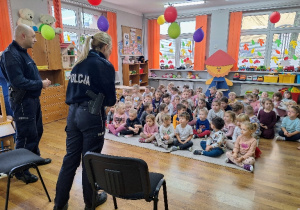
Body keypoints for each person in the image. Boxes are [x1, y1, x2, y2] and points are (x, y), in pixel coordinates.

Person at [53, 32, 116, 210]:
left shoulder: (78, 63)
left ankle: (59, 204)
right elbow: (110, 100)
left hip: (72, 114)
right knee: (90, 161)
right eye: (110, 48)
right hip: (91, 114)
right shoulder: (104, 65)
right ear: (105, 47)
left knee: (70, 160)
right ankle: (91, 203)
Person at [0, 24, 52, 183]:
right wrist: (40, 84)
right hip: (22, 101)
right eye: (33, 37)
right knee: (26, 136)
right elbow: (18, 81)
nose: (35, 40)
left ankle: (34, 159)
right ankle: (21, 170)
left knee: (37, 130)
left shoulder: (22, 53)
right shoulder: (10, 54)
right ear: (23, 36)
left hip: (32, 100)